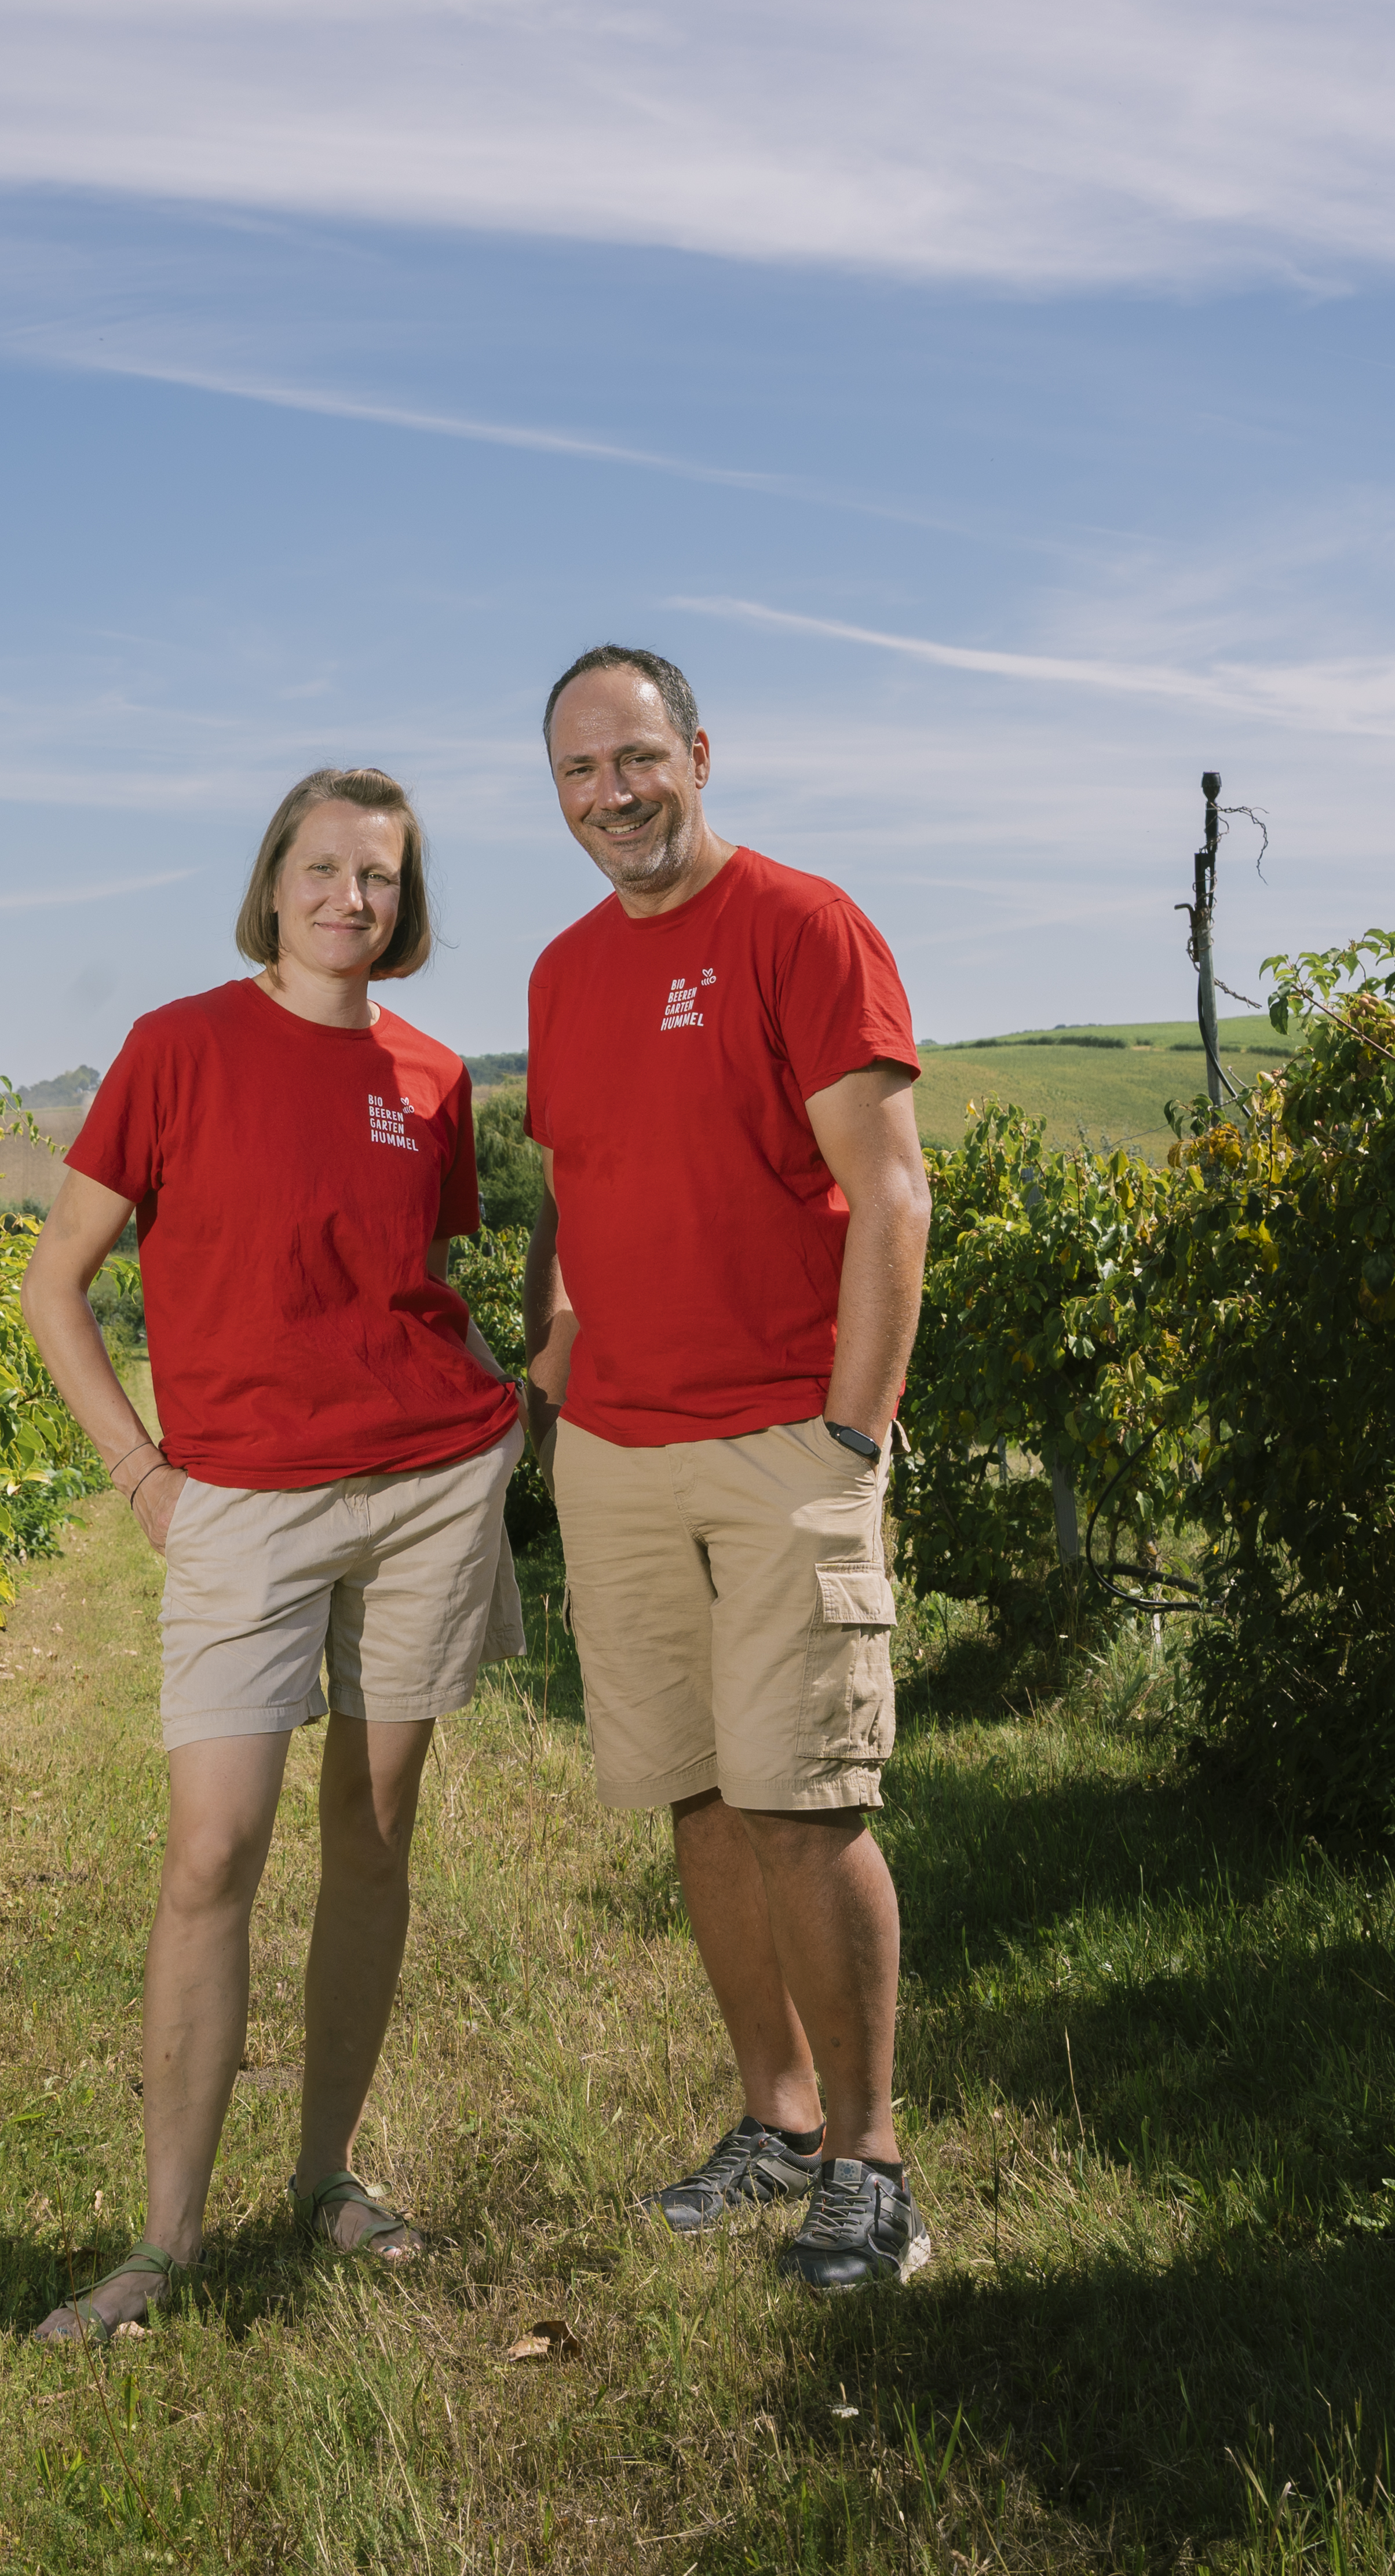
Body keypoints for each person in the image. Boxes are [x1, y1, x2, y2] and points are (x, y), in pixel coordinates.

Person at [16, 766, 526, 2343]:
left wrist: (522, 1404)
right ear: (274, 879)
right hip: (240, 1498)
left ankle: (324, 2173)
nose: (348, 896)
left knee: (374, 1830)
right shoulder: (177, 1046)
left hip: (431, 1483)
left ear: (404, 902)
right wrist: (143, 1473)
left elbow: (408, 1282)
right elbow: (54, 1284)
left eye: (379, 875)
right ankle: (163, 2241)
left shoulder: (434, 1076)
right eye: (323, 867)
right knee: (212, 1850)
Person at [517, 645, 935, 2293]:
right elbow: (569, 1183)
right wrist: (551, 1364)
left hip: (782, 1440)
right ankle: (773, 2118)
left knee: (802, 1795)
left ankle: (870, 2157)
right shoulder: (559, 973)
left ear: (698, 750)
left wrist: (853, 1430)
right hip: (617, 1451)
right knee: (695, 1790)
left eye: (634, 759)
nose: (610, 794)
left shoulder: (802, 927)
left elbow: (890, 1193)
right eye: (575, 774)